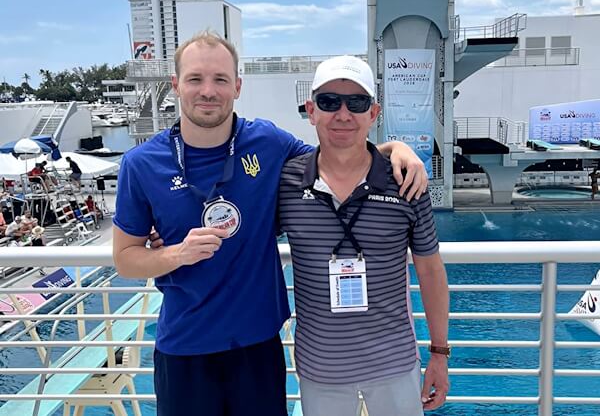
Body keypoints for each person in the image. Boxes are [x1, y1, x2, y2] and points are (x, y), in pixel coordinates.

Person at [112, 31, 428, 416]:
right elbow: (125, 259)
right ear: (176, 85)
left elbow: (339, 155)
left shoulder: (268, 142)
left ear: (237, 86)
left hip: (258, 348)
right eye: (195, 79)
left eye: (220, 79)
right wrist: (176, 254)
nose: (208, 91)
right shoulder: (141, 164)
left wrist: (396, 149)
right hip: (184, 349)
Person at [278, 55, 449, 415]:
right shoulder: (287, 183)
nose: (343, 114)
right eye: (329, 102)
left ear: (373, 113)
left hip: (394, 365)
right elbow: (243, 236)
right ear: (311, 111)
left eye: (356, 103)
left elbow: (431, 271)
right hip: (320, 369)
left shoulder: (406, 182)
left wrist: (439, 353)